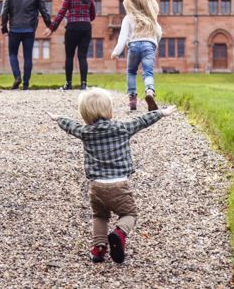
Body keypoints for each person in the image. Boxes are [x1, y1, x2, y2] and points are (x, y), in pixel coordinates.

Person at [46, 88, 175, 264]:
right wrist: (161, 112)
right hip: (119, 185)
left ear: (85, 114)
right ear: (110, 110)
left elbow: (71, 126)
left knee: (99, 216)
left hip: (97, 187)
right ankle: (119, 233)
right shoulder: (122, 128)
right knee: (129, 214)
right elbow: (142, 120)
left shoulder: (85, 132)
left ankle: (98, 248)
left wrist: (58, 118)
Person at [111, 0, 162, 112]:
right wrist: (154, 44)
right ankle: (149, 91)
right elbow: (158, 33)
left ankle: (132, 99)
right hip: (149, 46)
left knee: (131, 72)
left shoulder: (128, 18)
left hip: (133, 46)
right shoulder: (150, 17)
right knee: (148, 73)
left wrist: (116, 52)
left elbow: (122, 37)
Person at [0, 0, 52, 90]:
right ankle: (26, 84)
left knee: (13, 54)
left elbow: (4, 12)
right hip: (29, 29)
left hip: (14, 29)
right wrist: (49, 25)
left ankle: (17, 76)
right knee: (28, 56)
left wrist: (4, 27)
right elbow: (44, 11)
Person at [43, 0, 97, 90]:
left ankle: (68, 84)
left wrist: (51, 28)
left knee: (69, 56)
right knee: (82, 57)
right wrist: (85, 20)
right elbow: (93, 15)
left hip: (72, 28)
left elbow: (61, 13)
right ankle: (83, 84)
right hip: (86, 28)